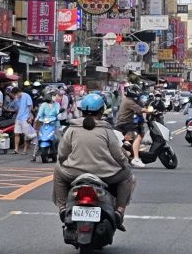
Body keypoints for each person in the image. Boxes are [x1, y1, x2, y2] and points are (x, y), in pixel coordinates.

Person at [53, 93, 134, 225]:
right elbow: (118, 155)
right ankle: (119, 211)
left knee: (58, 171)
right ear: (102, 111)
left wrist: (64, 163)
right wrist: (125, 164)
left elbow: (62, 154)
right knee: (127, 176)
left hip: (74, 173)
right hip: (105, 174)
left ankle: (62, 207)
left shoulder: (72, 128)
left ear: (82, 111)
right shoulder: (106, 130)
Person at [114, 86, 145, 167]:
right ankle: (136, 158)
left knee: (127, 140)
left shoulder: (125, 100)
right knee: (137, 137)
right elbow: (141, 110)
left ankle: (129, 155)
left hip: (121, 123)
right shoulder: (129, 101)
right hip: (126, 123)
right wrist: (151, 110)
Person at [32, 92, 62, 162]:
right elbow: (40, 114)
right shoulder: (44, 105)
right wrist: (37, 119)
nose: (56, 97)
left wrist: (59, 116)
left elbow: (58, 113)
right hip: (45, 124)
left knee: (58, 139)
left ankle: (59, 154)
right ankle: (34, 155)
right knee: (40, 138)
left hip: (55, 123)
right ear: (50, 97)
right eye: (54, 96)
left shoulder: (57, 104)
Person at [12, 85, 36, 155]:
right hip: (18, 118)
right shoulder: (16, 99)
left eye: (16, 94)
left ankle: (25, 150)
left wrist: (30, 116)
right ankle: (16, 149)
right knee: (16, 133)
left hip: (25, 118)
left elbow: (30, 106)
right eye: (14, 95)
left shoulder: (26, 96)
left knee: (26, 134)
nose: (16, 96)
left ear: (19, 92)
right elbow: (16, 108)